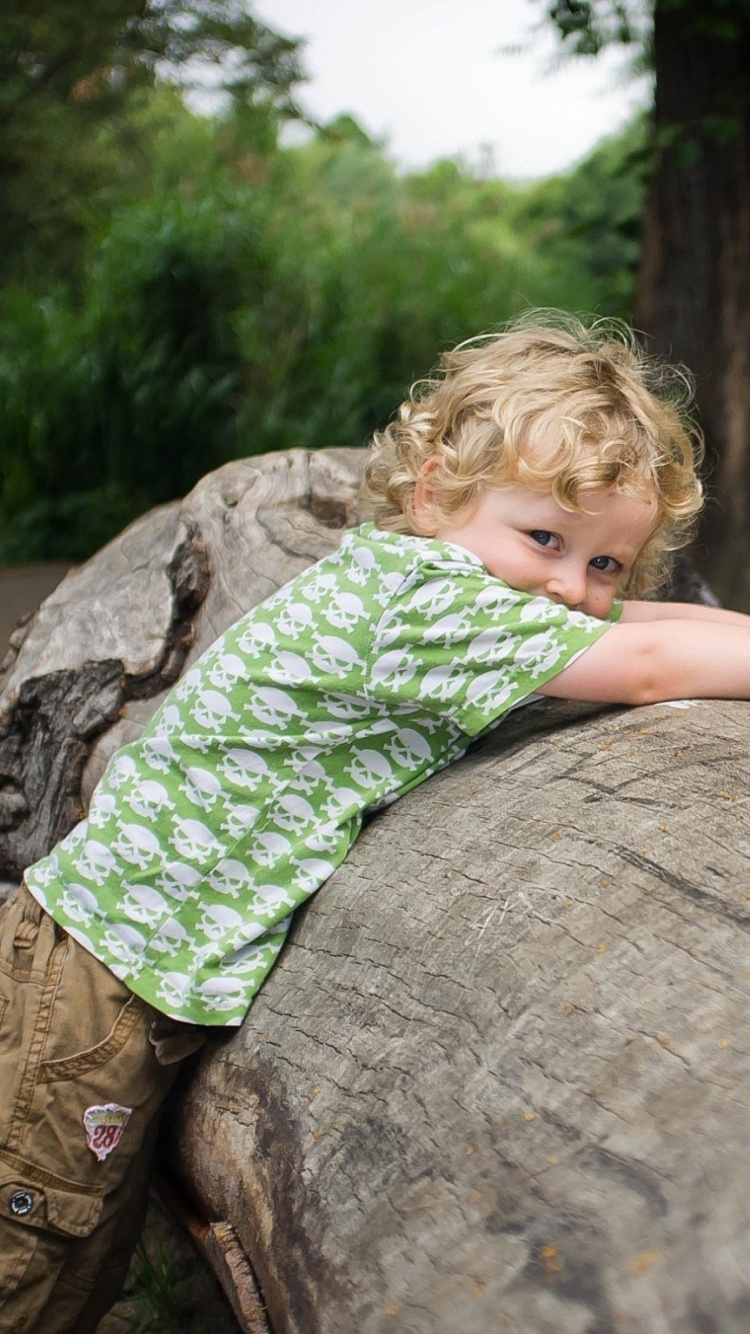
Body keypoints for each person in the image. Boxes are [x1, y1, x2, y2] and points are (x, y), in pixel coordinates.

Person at [1, 311, 748, 1332]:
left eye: (606, 562)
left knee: (72, 1260)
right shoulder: (424, 602)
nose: (572, 587)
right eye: (545, 538)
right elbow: (652, 660)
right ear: (437, 492)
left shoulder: (435, 578)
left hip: (115, 967)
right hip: (92, 987)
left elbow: (631, 627)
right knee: (30, 1263)